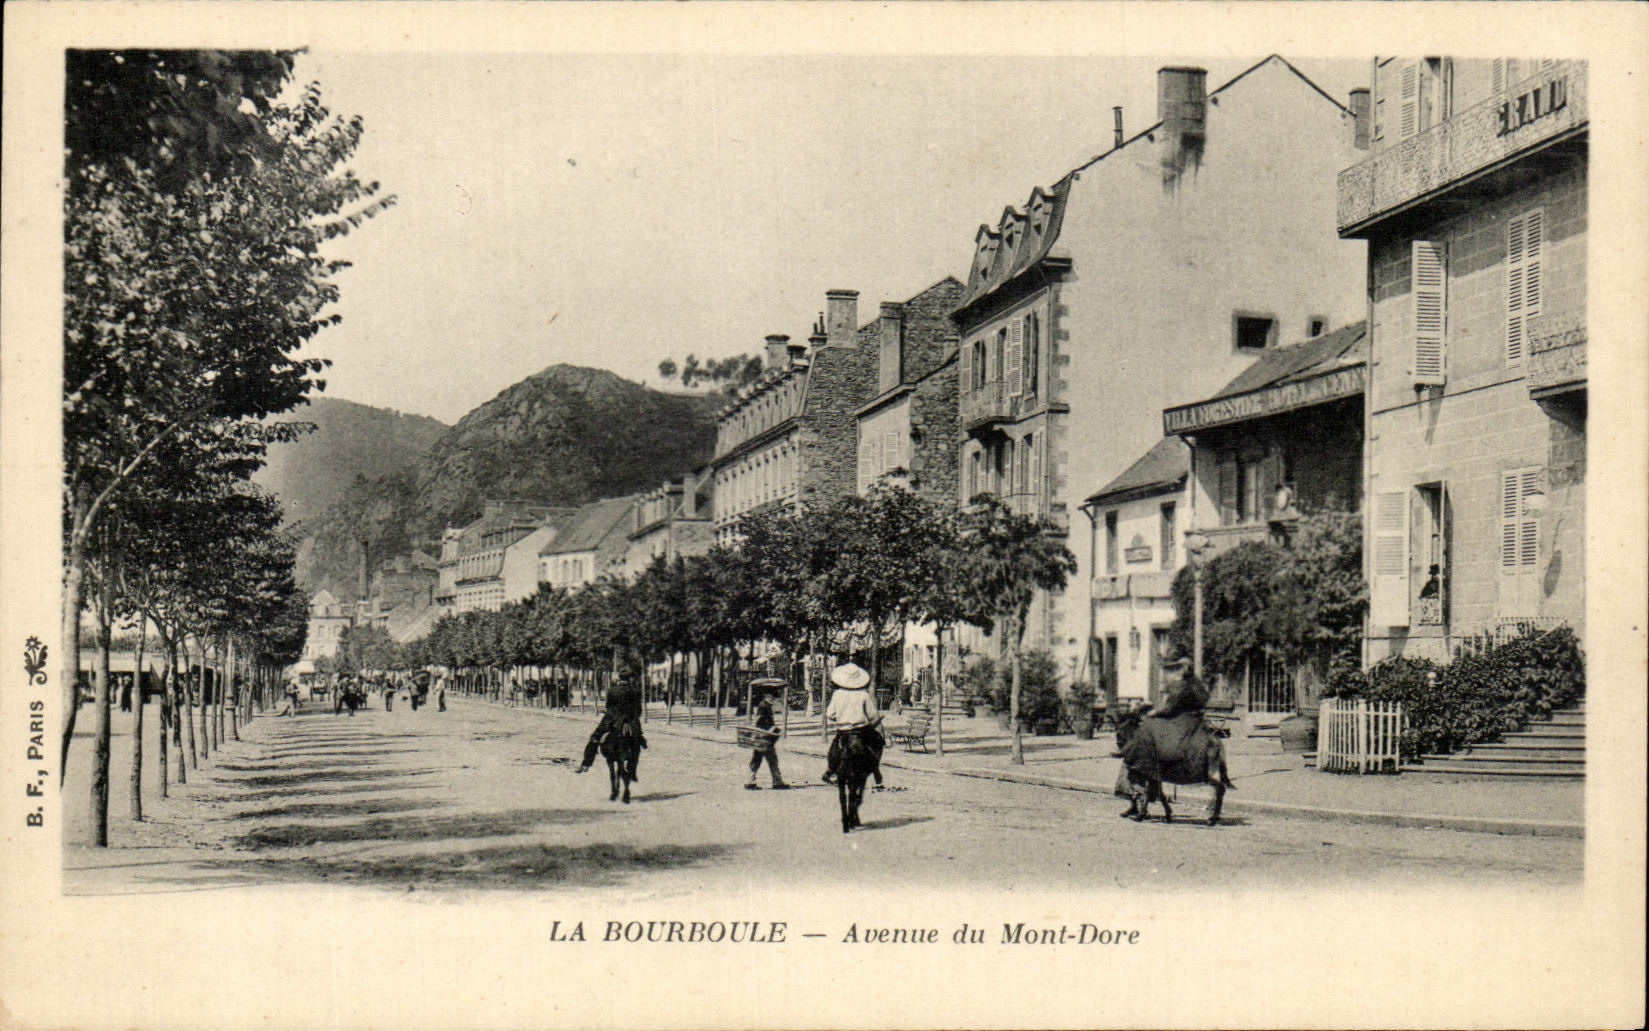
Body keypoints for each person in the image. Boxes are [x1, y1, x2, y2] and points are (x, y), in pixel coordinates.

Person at [822, 663, 884, 787]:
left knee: (834, 751)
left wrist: (840, 718)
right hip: (861, 730)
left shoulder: (837, 694)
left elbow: (829, 714)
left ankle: (830, 772)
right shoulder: (863, 695)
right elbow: (873, 716)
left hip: (843, 730)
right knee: (878, 743)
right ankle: (875, 772)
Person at [576, 680, 646, 774]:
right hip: (631, 719)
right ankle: (631, 768)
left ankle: (586, 764)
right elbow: (638, 709)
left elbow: (609, 707)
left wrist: (616, 717)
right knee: (637, 738)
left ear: (619, 680)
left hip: (613, 719)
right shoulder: (636, 691)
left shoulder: (612, 690)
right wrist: (630, 718)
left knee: (595, 737)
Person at [744, 688, 789, 790]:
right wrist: (757, 731)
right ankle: (777, 782)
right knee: (771, 760)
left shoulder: (765, 705)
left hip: (763, 736)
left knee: (757, 760)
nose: (773, 699)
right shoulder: (763, 705)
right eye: (771, 696)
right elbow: (758, 719)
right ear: (766, 695)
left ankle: (750, 781)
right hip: (764, 737)